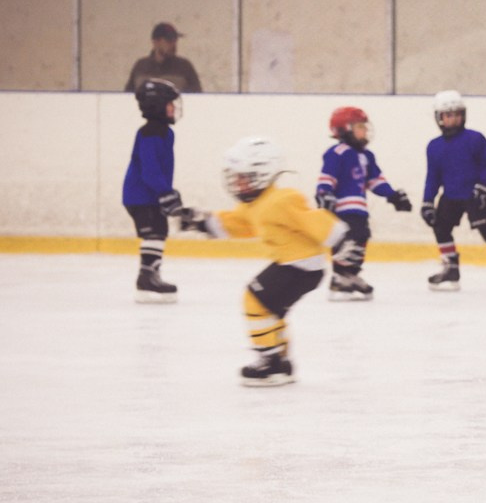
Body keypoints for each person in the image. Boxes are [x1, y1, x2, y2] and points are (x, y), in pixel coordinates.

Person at [176, 137, 360, 385]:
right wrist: (202, 221)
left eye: (243, 177)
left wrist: (340, 239)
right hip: (296, 266)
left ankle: (269, 361)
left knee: (253, 299)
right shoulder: (256, 203)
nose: (237, 183)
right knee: (272, 311)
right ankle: (281, 361)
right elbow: (237, 223)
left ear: (262, 174)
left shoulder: (283, 199)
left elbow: (312, 218)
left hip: (300, 266)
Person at [421, 90, 486, 291]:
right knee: (440, 227)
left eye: (457, 114)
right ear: (439, 118)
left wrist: (484, 187)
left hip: (475, 195)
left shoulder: (475, 139)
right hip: (450, 195)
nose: (454, 119)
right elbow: (433, 177)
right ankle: (451, 267)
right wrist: (427, 202)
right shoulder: (434, 147)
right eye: (448, 115)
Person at [315, 106, 412, 300]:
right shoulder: (337, 152)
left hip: (359, 208)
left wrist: (392, 196)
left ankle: (349, 275)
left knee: (361, 236)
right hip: (341, 208)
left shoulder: (367, 156)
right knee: (350, 238)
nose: (365, 131)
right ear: (345, 129)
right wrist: (323, 193)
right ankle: (340, 276)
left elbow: (375, 181)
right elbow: (327, 177)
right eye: (360, 126)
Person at [122, 78, 184, 303]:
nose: (174, 107)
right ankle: (146, 278)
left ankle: (151, 275)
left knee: (159, 230)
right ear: (156, 105)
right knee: (154, 232)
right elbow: (150, 170)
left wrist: (166, 192)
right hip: (140, 196)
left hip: (149, 195)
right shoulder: (150, 133)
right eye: (170, 103)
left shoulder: (164, 132)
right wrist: (165, 192)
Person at [124, 22, 202, 94]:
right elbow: (127, 97)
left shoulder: (185, 67)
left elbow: (196, 98)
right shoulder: (140, 66)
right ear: (155, 42)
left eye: (175, 40)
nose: (173, 44)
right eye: (169, 40)